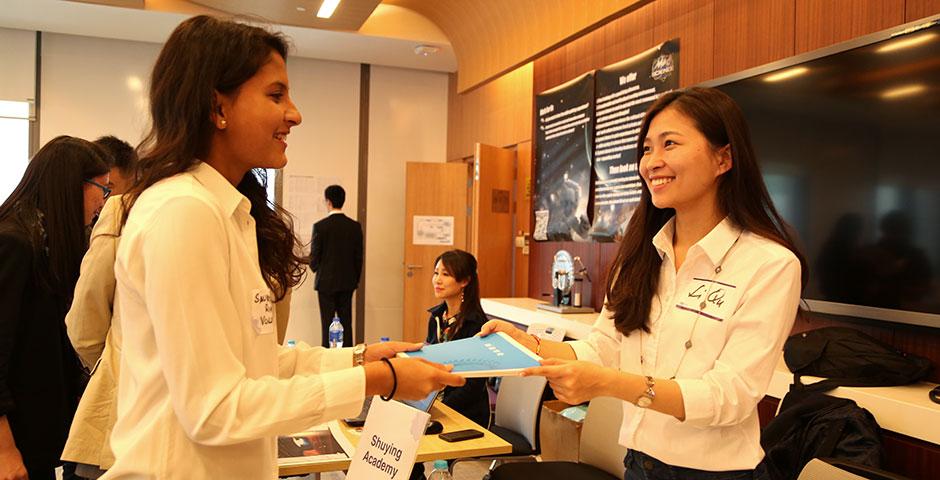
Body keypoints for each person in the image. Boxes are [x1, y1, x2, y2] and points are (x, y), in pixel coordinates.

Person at [100, 16, 463, 479]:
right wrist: (377, 381)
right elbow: (215, 410)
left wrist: (359, 358)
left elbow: (259, 361)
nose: (295, 113)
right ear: (218, 107)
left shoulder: (225, 213)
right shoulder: (183, 212)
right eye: (276, 95)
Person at [483, 87, 806, 479]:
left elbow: (730, 396)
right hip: (639, 463)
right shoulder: (640, 256)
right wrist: (531, 347)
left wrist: (609, 384)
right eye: (647, 148)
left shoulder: (769, 264)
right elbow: (604, 346)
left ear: (723, 158)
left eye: (669, 144)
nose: (652, 162)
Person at [0, 136, 110, 480]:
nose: (103, 203)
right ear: (72, 184)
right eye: (102, 189)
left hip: (37, 446)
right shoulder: (14, 243)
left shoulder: (46, 246)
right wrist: (4, 450)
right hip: (13, 449)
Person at [60, 136, 139, 479]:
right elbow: (84, 326)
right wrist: (109, 367)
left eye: (112, 190)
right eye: (102, 189)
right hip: (105, 397)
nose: (104, 200)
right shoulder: (113, 217)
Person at [410, 250, 490, 480]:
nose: (437, 279)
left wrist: (439, 408)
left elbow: (473, 386)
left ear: (465, 281)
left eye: (445, 274)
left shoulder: (477, 325)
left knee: (408, 440)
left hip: (465, 411)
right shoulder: (437, 317)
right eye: (436, 273)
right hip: (437, 405)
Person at [310, 184, 363, 348]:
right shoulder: (354, 226)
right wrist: (355, 279)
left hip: (325, 282)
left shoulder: (320, 226)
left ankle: (327, 356)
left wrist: (315, 268)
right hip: (348, 282)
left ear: (328, 202)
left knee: (326, 323)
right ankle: (348, 355)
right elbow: (358, 257)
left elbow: (315, 257)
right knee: (346, 322)